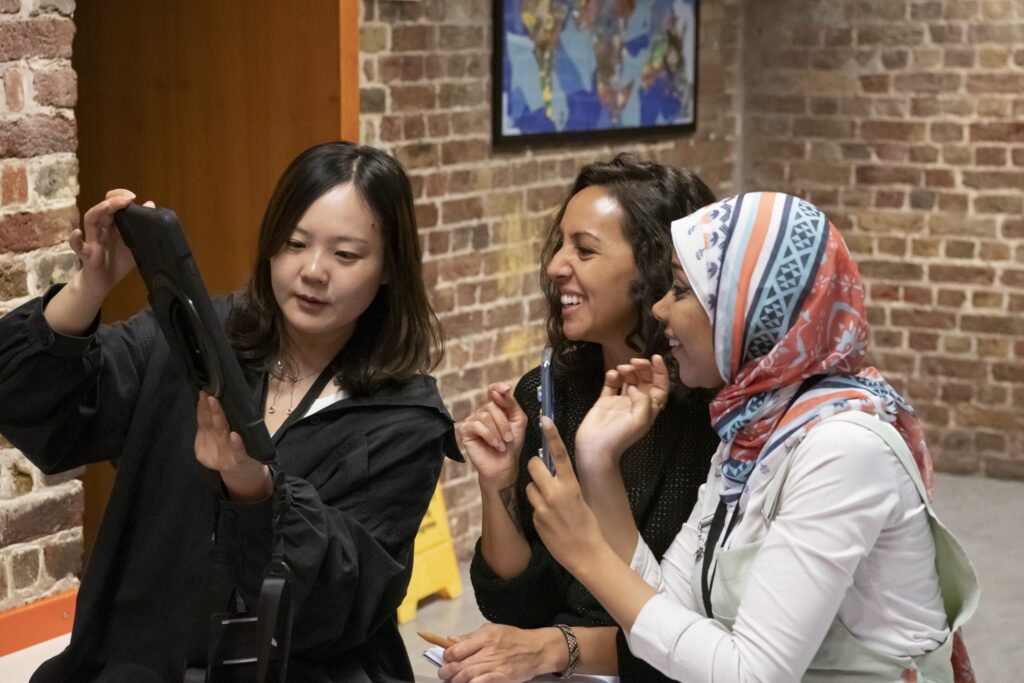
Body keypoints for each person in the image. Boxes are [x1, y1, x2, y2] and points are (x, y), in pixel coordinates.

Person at [0, 141, 460, 682]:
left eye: (346, 254)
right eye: (295, 243)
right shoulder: (198, 337)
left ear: (388, 268)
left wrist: (252, 486)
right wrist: (89, 285)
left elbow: (343, 601)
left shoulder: (405, 417)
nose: (313, 271)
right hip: (143, 662)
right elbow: (29, 399)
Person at [526, 191, 979, 682]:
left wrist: (587, 553)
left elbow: (751, 675)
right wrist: (597, 462)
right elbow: (669, 611)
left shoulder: (843, 448)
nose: (658, 309)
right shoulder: (753, 434)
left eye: (680, 290)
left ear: (750, 310)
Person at [444, 155, 720, 681]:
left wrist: (559, 646)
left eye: (585, 250)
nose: (554, 267)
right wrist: (497, 484)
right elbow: (515, 610)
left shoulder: (711, 417)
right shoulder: (550, 394)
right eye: (561, 245)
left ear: (656, 267)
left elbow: (696, 635)